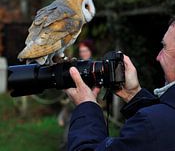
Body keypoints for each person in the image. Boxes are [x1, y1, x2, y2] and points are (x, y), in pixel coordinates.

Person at [65, 18, 175, 151]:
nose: (158, 57)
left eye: (164, 47)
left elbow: (156, 127)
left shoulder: (150, 125)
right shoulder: (162, 120)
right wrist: (134, 95)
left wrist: (86, 106)